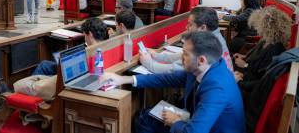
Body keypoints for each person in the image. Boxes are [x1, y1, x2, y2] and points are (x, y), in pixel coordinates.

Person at [101, 31, 245, 133]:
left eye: (185, 54)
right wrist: (123, 79)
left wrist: (176, 121)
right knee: (146, 114)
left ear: (201, 60)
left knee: (144, 119)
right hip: (200, 122)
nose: (181, 57)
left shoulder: (216, 88)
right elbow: (167, 78)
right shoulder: (209, 66)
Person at [140, 6, 233, 73]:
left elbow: (174, 69)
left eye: (190, 24)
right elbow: (182, 56)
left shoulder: (207, 45)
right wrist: (157, 56)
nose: (186, 27)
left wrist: (148, 63)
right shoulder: (214, 36)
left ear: (202, 27)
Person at [234, 7, 290, 96]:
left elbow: (261, 82)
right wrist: (244, 57)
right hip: (245, 76)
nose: (256, 29)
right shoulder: (265, 40)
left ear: (267, 27)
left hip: (249, 89)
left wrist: (240, 80)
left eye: (258, 25)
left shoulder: (275, 49)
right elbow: (255, 61)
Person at [31, 17, 109, 76]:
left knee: (43, 66)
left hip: (72, 76)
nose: (84, 37)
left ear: (90, 34)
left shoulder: (90, 51)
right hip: (79, 72)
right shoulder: (107, 45)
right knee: (45, 64)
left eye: (84, 34)